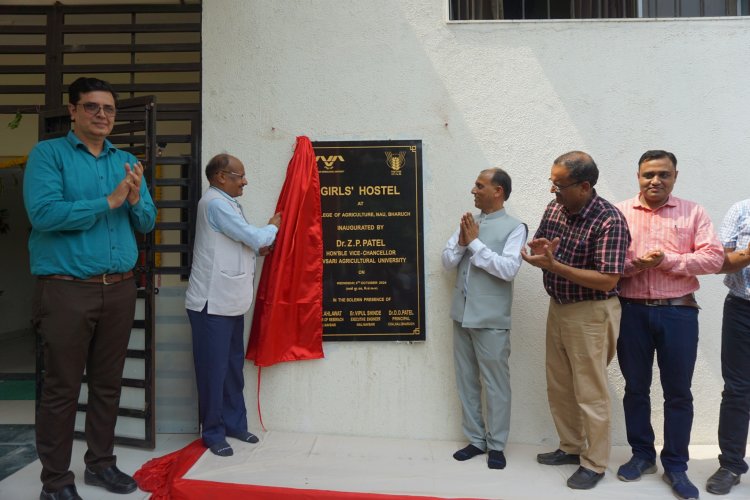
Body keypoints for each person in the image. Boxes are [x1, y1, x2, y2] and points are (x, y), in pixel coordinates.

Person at [23, 77, 157, 500]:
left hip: (118, 289)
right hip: (67, 290)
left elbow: (148, 221)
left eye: (109, 109)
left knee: (107, 383)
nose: (102, 115)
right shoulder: (49, 155)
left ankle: (100, 465)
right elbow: (43, 214)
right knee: (62, 387)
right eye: (93, 107)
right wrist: (109, 202)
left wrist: (135, 200)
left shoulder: (127, 160)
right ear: (74, 110)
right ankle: (56, 481)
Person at [614, 150, 723, 500]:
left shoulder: (694, 212)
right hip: (631, 311)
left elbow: (713, 257)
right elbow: (611, 261)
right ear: (638, 176)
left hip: (678, 312)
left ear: (675, 175)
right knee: (635, 388)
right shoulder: (620, 212)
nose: (655, 181)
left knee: (678, 393)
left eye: (663, 174)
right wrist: (637, 265)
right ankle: (642, 455)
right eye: (648, 174)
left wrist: (667, 260)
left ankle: (675, 465)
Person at [522, 151, 629, 490]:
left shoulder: (609, 219)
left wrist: (556, 267)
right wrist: (539, 250)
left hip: (592, 312)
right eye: (552, 183)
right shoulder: (556, 207)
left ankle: (595, 463)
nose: (553, 191)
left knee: (590, 391)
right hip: (559, 306)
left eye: (560, 185)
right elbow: (544, 244)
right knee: (560, 384)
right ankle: (570, 447)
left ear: (584, 186)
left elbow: (608, 279)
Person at [185, 153, 281, 457]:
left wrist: (256, 249)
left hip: (230, 302)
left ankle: (235, 424)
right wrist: (272, 228)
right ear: (220, 177)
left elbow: (235, 243)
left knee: (231, 369)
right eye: (240, 176)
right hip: (211, 305)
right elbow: (250, 235)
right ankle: (213, 433)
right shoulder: (214, 203)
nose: (245, 181)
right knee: (213, 371)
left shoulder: (227, 203)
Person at [442, 168, 527, 470]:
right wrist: (464, 242)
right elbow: (448, 260)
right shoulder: (470, 223)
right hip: (461, 315)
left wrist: (475, 244)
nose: (473, 191)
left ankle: (497, 445)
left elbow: (507, 269)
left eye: (480, 186)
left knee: (495, 384)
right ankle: (476, 440)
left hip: (491, 319)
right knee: (466, 380)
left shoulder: (516, 228)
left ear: (498, 191)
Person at [705, 199, 750, 496]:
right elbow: (720, 263)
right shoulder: (741, 210)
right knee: (737, 388)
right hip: (742, 309)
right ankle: (731, 465)